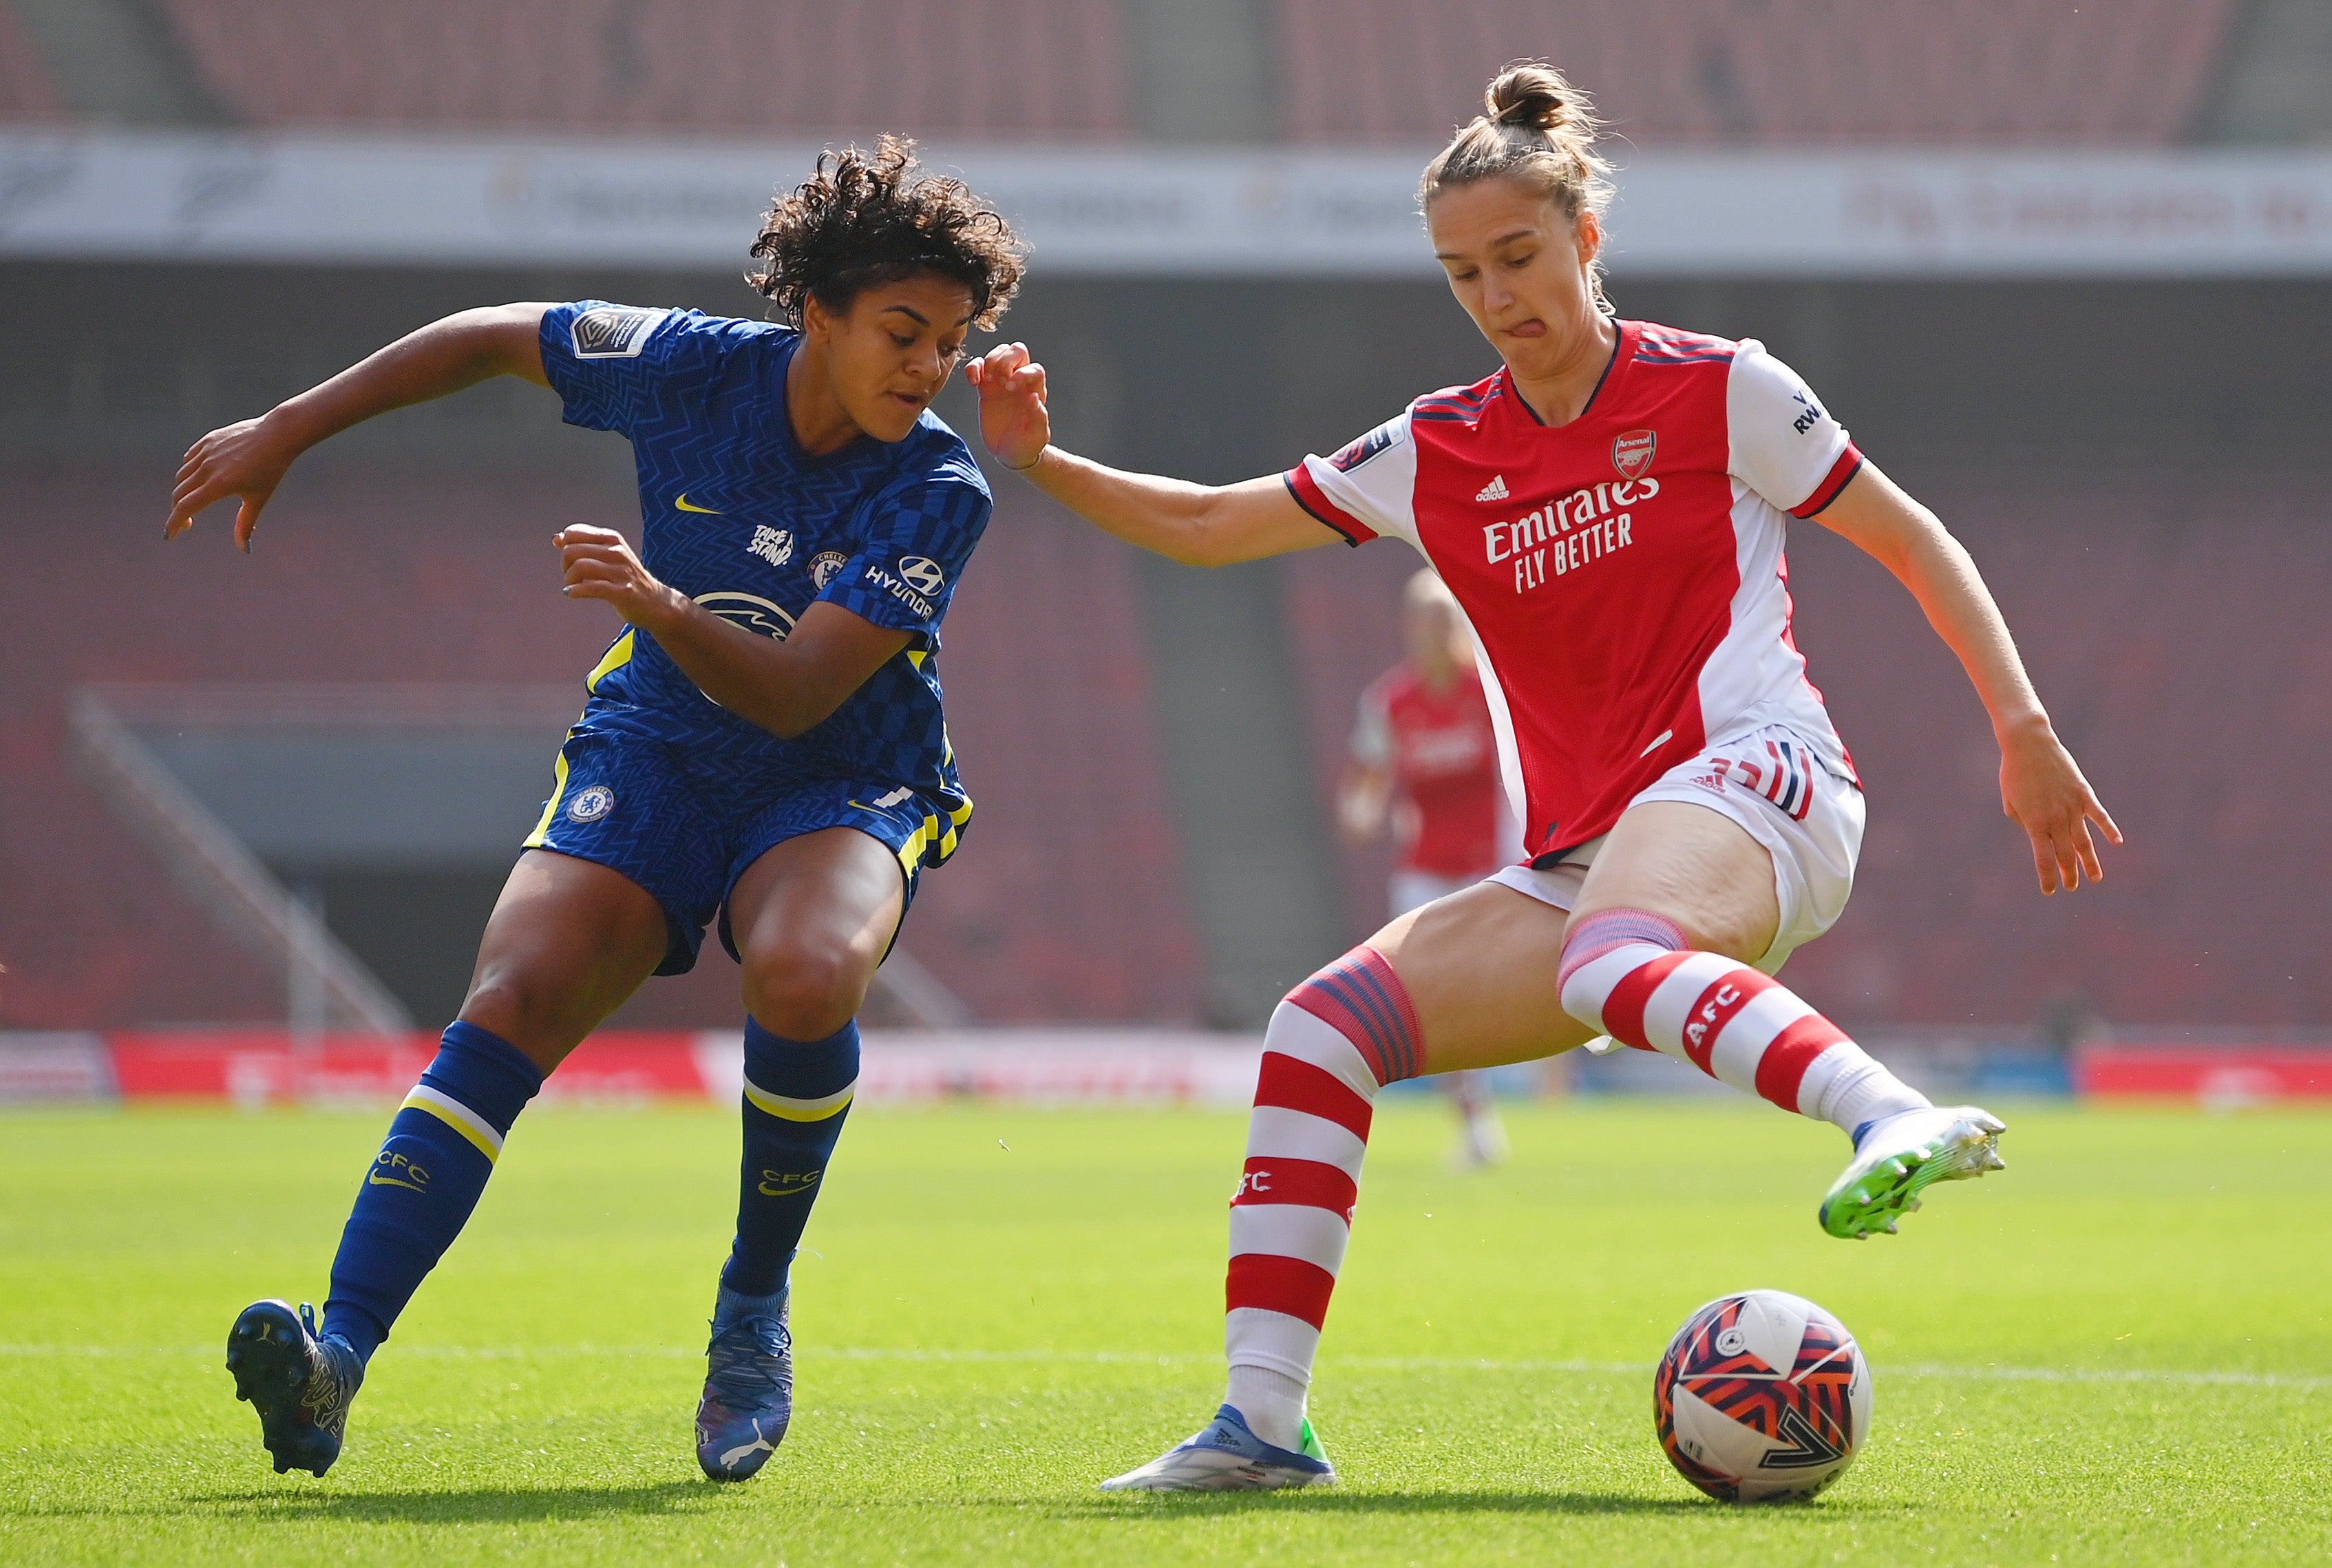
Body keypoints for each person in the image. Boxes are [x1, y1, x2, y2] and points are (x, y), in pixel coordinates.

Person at [967, 65, 2120, 1491]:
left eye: (1516, 255)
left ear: (1584, 237)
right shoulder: (1435, 446)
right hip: (1586, 858)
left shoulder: (1721, 389)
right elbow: (1213, 524)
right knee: (1319, 1026)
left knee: (1604, 956)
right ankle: (1260, 1425)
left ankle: (1886, 1111)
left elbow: (1910, 536)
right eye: (1462, 273)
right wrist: (1036, 461)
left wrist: (2020, 725)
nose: (1495, 293)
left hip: (1759, 776)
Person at [167, 138, 1026, 1482]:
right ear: (813, 310)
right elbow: (486, 337)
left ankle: (750, 1308)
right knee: (511, 996)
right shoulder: (685, 366)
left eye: (949, 344)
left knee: (804, 974)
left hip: (842, 771)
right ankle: (334, 1354)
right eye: (901, 333)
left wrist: (656, 605)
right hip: (662, 740)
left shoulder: (935, 487)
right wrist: (289, 427)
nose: (926, 368)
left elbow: (802, 694)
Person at [1338, 568, 1518, 1168]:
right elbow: (1367, 781)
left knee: (1500, 985)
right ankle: (1475, 1123)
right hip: (1423, 868)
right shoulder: (1389, 702)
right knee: (1426, 997)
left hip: (1489, 865)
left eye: (1445, 619)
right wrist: (1360, 812)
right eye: (1425, 620)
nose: (1435, 632)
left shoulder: (1487, 690)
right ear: (1409, 627)